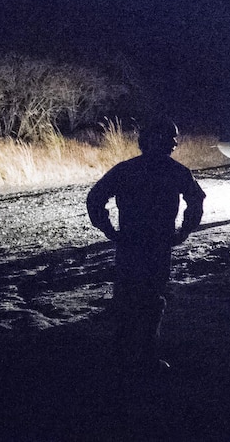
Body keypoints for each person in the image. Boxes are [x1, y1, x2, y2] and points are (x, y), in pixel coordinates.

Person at [86, 119, 206, 373]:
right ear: (158, 140)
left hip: (130, 244)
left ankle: (122, 356)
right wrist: (184, 231)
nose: (175, 143)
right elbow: (195, 200)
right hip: (158, 245)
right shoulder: (176, 171)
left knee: (128, 298)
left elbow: (96, 198)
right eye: (171, 138)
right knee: (151, 301)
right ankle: (147, 357)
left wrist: (109, 230)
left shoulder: (126, 170)